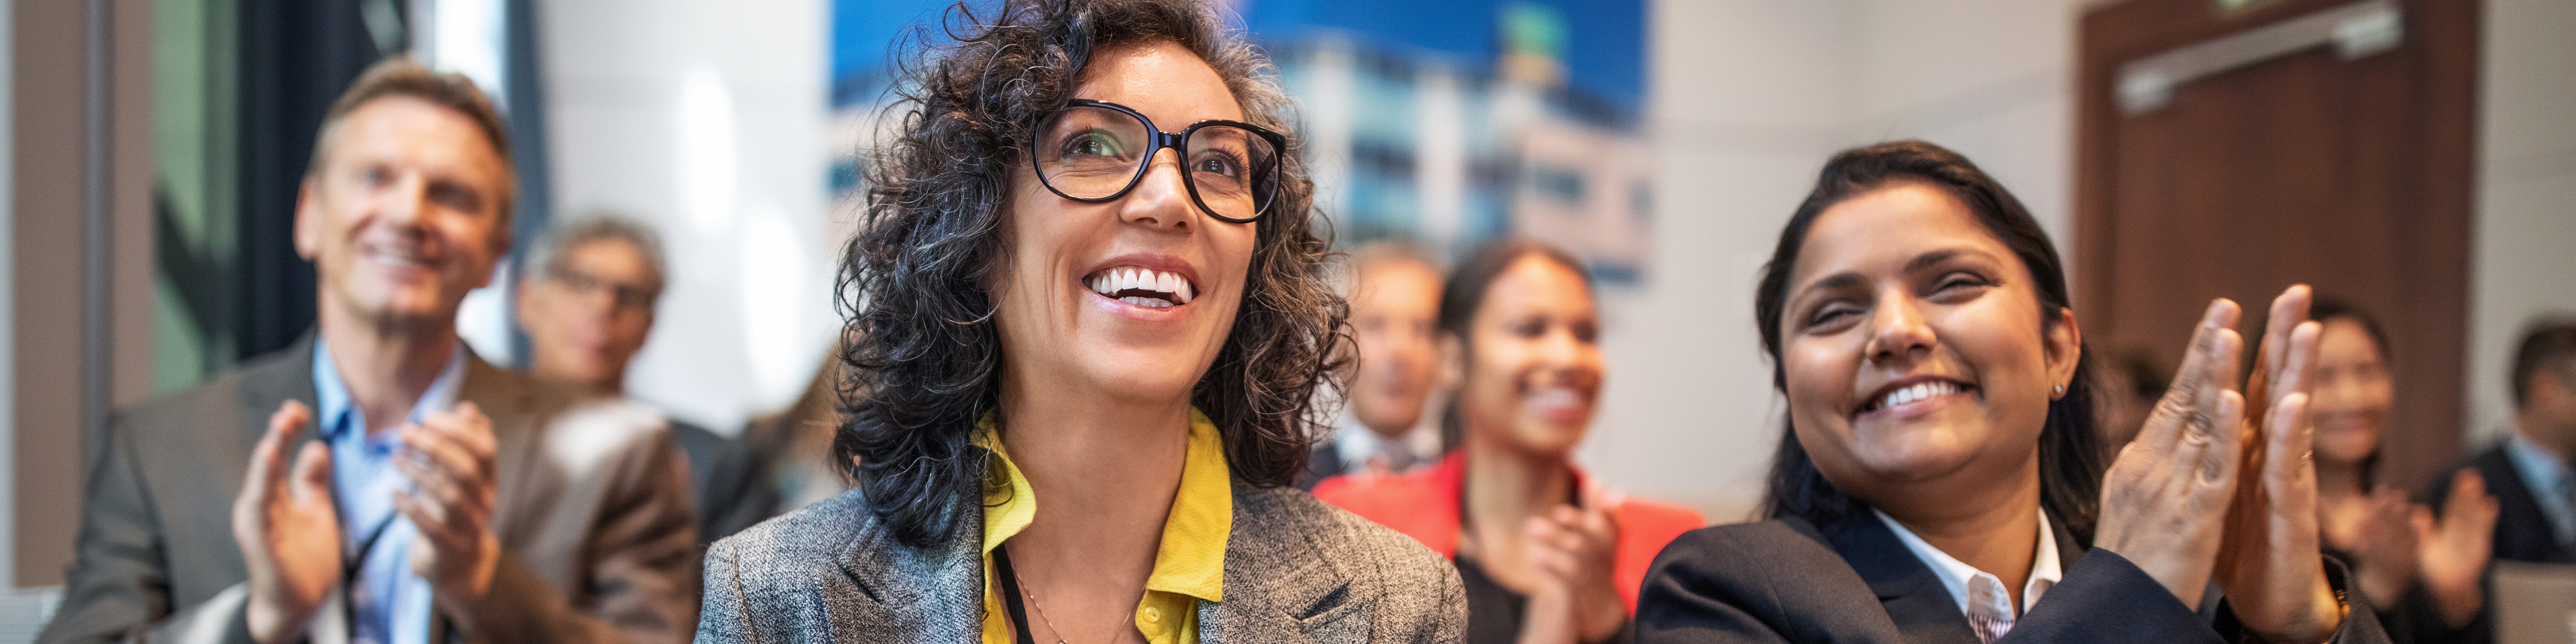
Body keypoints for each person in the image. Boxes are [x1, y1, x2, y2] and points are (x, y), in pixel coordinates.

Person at [693, 0, 1464, 641]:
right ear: (978, 230)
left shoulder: (1398, 608)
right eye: (1091, 145)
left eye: (1219, 163)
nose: (1169, 199)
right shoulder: (778, 601)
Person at [42, 58, 700, 644]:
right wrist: (257, 620)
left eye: (452, 194)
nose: (409, 213)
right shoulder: (162, 448)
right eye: (375, 177)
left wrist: (483, 584)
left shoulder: (619, 453)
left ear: (496, 256)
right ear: (309, 216)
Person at [1635, 140, 2388, 643]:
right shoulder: (1723, 594)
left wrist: (2301, 626)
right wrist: (2124, 592)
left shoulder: (2197, 596)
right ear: (1792, 386)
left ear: (2059, 346)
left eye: (1954, 284)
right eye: (1834, 312)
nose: (1895, 331)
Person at [1316, 240, 1707, 644]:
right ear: (1452, 359)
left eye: (1586, 334)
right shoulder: (1358, 523)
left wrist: (1612, 625)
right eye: (1529, 329)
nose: (1567, 356)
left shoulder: (1675, 546)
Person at [515, 213, 779, 545]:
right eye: (581, 283)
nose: (603, 306)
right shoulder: (474, 440)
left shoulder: (712, 464)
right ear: (526, 300)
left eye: (626, 295)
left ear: (649, 325)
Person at [2300, 297, 2493, 643]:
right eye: (2323, 377)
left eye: (2367, 371)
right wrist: (2373, 592)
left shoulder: (2412, 522)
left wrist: (2457, 601)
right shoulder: (2267, 530)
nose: (2352, 397)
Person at [1299, 241, 1448, 489]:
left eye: (1423, 328)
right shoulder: (1292, 487)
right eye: (1375, 325)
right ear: (1337, 347)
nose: (1399, 351)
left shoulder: (1476, 487)